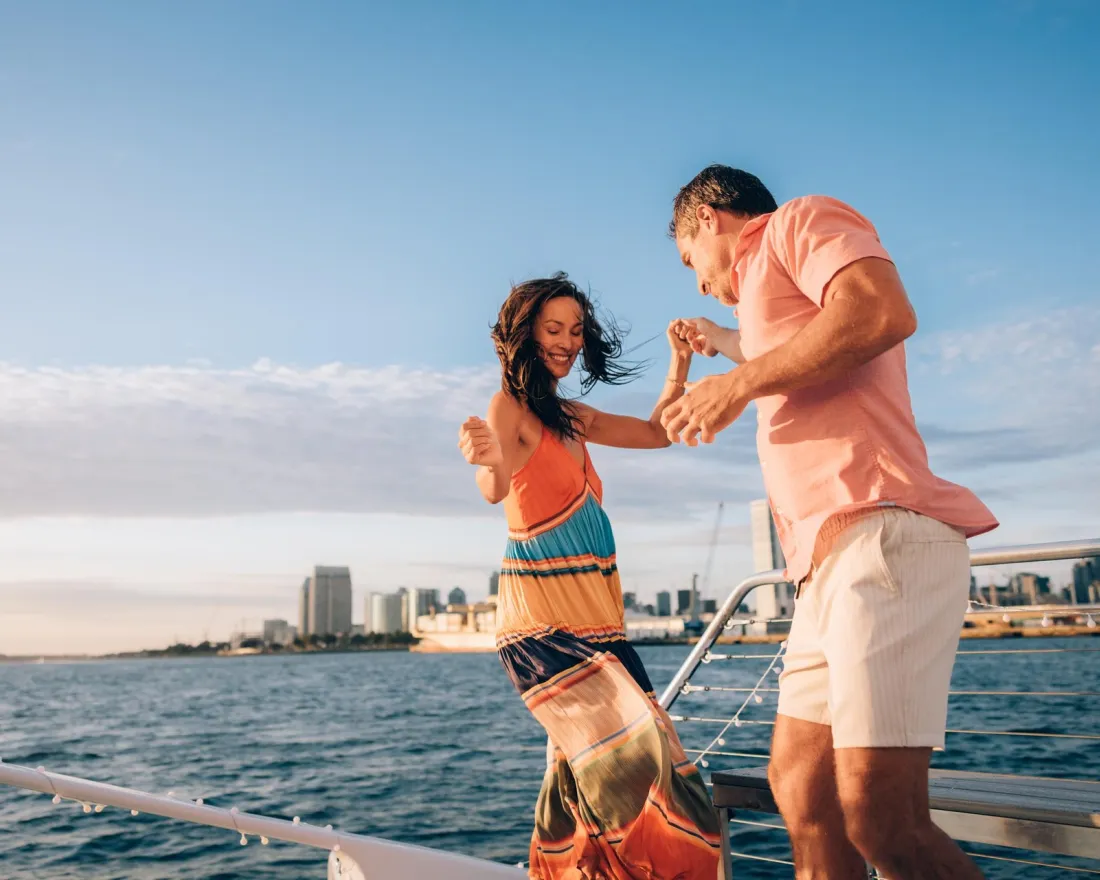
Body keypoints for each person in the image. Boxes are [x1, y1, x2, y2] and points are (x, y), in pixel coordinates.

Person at [662, 165, 999, 880]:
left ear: (710, 220)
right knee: (802, 792)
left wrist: (737, 382)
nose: (697, 282)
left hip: (883, 534)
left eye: (691, 262)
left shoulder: (796, 220)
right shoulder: (760, 296)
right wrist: (721, 341)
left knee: (884, 821)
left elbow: (878, 312)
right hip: (827, 563)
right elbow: (787, 344)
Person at [458, 272, 721, 880]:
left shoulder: (571, 417)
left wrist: (678, 362)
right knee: (660, 793)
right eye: (554, 328)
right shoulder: (509, 408)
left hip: (600, 631)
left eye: (576, 331)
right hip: (546, 633)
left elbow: (658, 434)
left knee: (580, 802)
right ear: (522, 335)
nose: (568, 341)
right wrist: (487, 459)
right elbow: (494, 488)